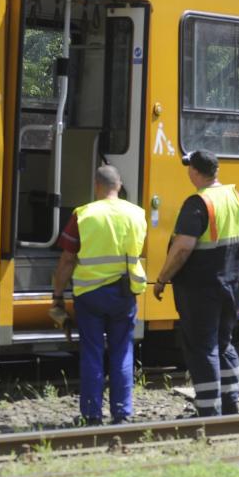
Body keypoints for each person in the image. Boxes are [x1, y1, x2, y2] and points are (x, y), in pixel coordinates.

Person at [153, 150, 239, 417]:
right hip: (233, 286)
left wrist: (162, 279)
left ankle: (208, 413)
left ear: (194, 171)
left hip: (200, 289)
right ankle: (230, 404)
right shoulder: (236, 197)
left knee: (203, 348)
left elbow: (182, 248)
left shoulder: (198, 202)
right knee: (224, 343)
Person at [51, 165, 148, 425]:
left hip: (90, 294)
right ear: (119, 185)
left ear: (97, 185)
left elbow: (67, 259)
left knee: (92, 352)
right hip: (124, 294)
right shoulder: (137, 214)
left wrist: (58, 295)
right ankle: (122, 413)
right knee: (122, 352)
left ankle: (92, 415)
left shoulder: (84, 215)